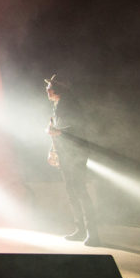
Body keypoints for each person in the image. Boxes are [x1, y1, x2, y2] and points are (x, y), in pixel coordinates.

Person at [46, 74, 100, 246]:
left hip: (76, 153)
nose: (47, 90)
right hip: (66, 153)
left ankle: (93, 233)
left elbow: (78, 127)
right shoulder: (58, 106)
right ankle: (80, 230)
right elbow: (57, 130)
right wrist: (53, 149)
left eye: (49, 88)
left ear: (56, 89)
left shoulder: (70, 105)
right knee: (72, 191)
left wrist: (58, 133)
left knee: (80, 190)